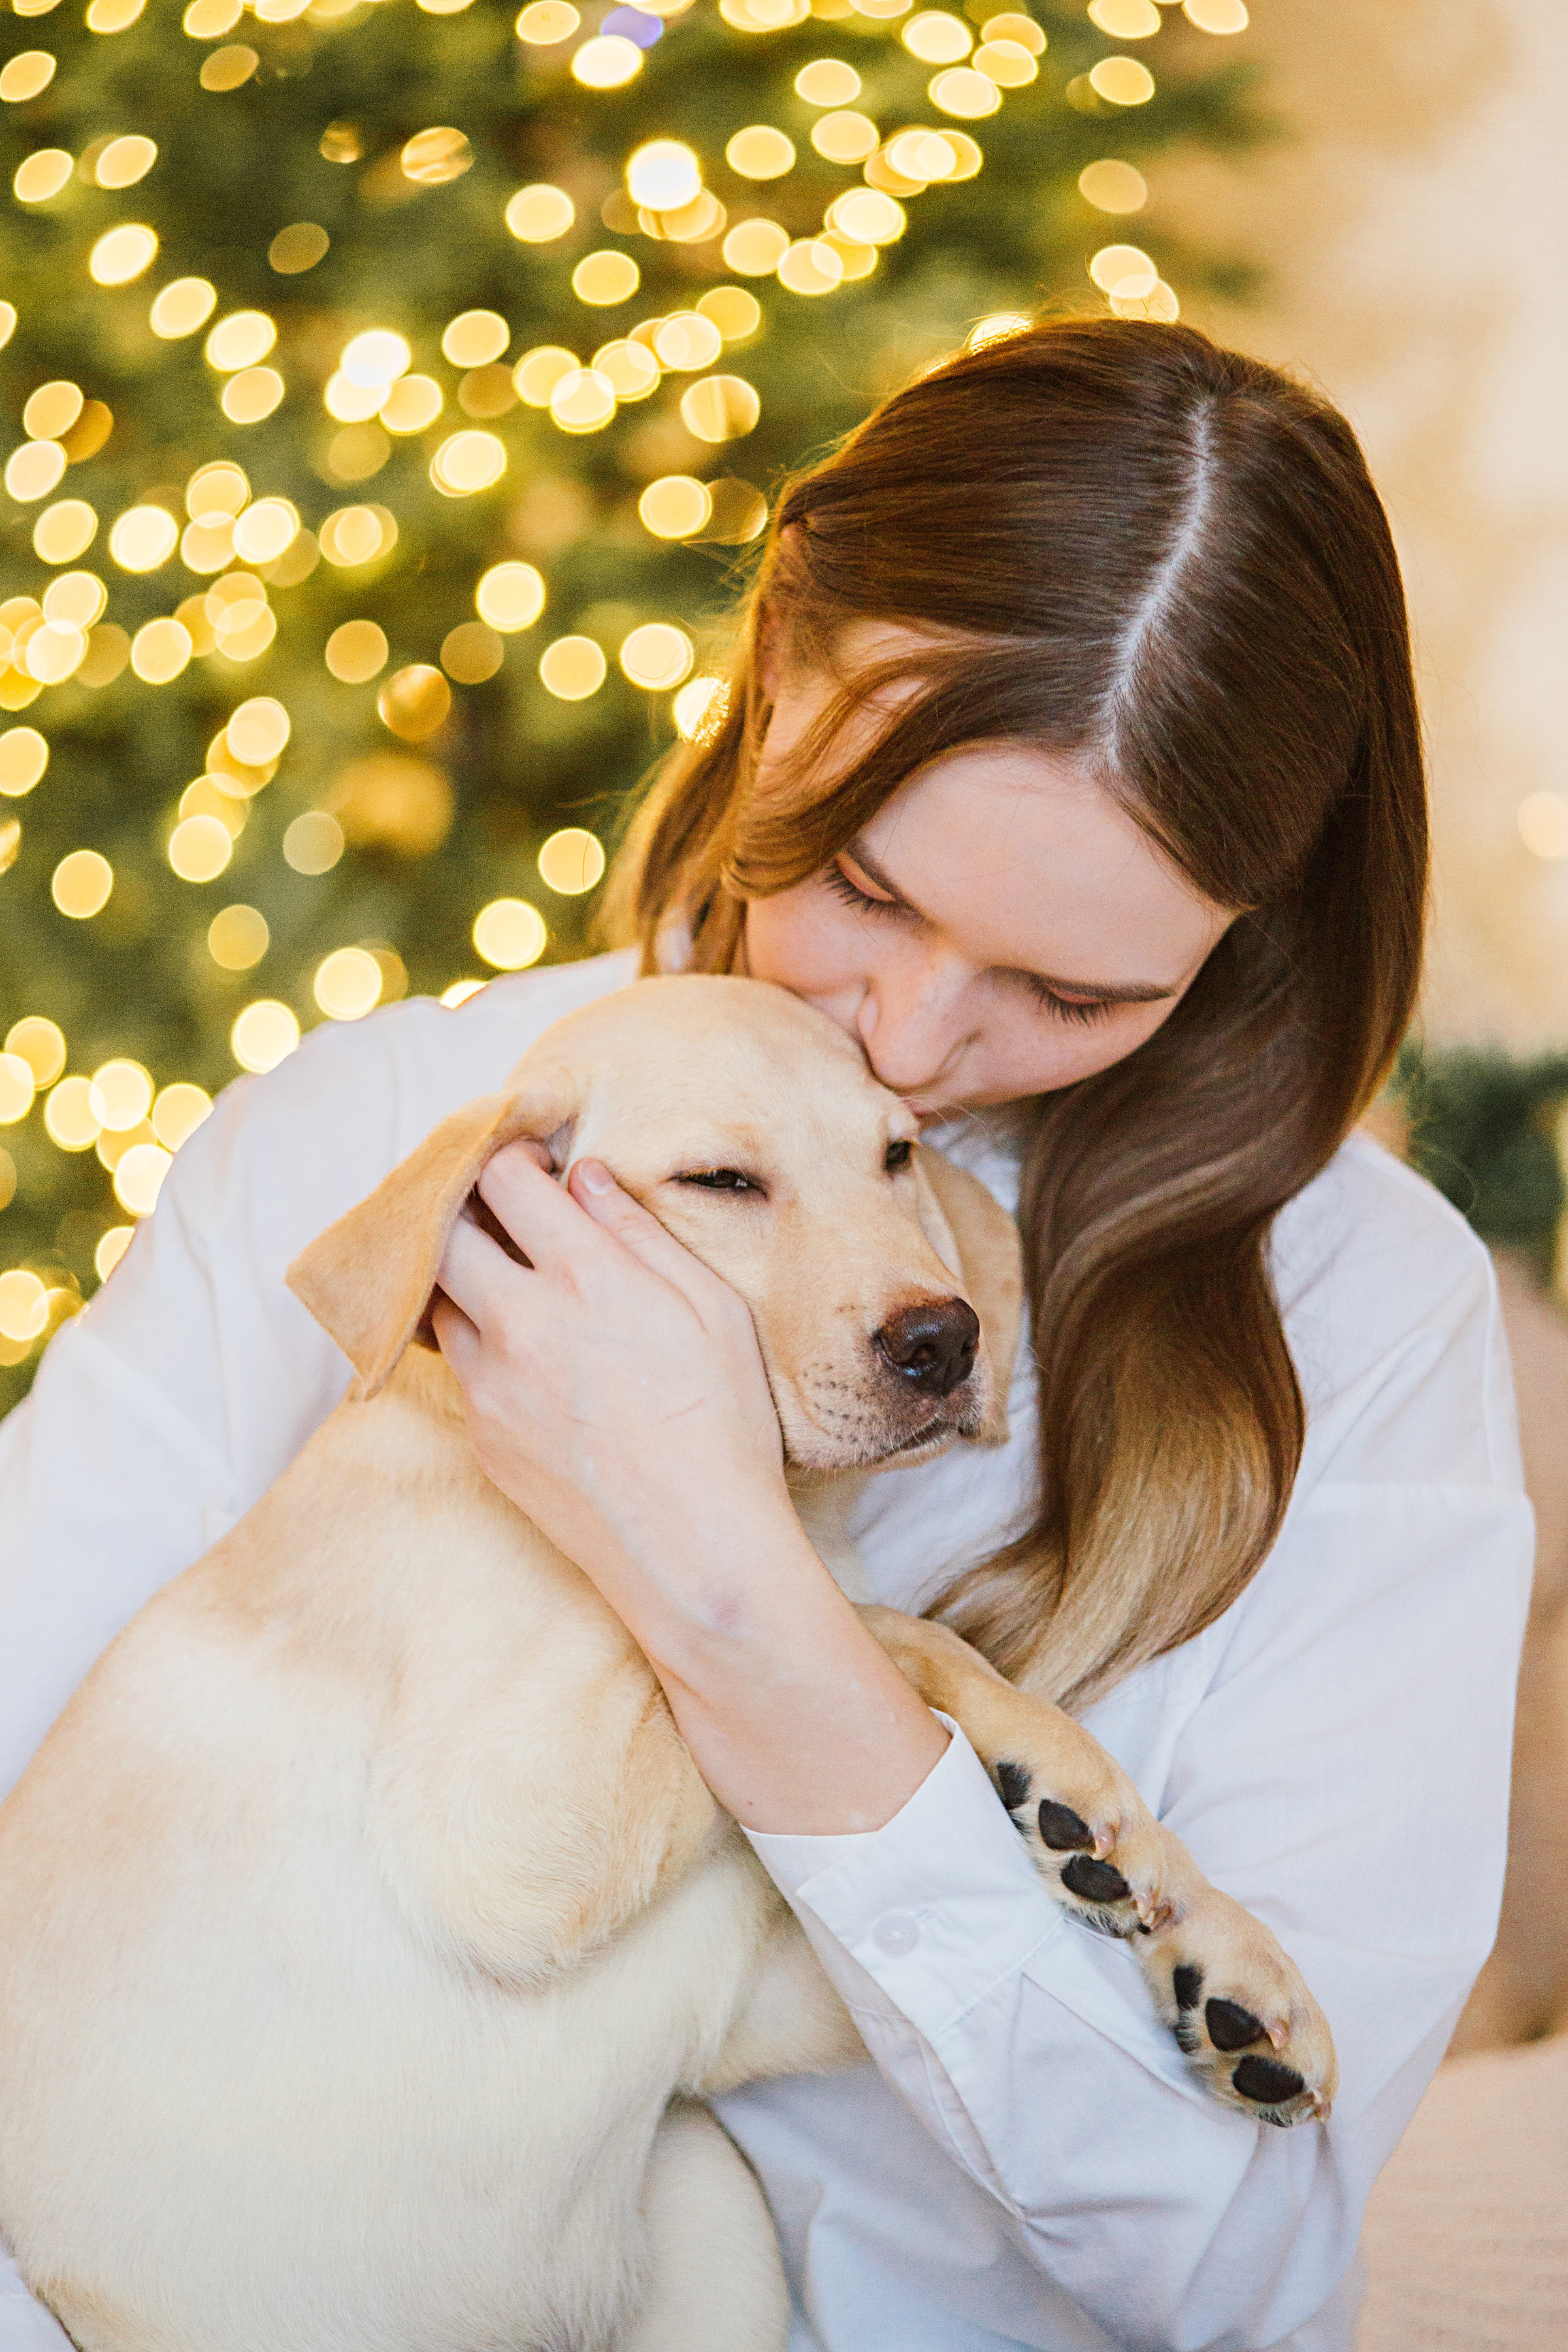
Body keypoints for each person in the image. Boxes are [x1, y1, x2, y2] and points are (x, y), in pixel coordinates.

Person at [0, 319, 1532, 2351]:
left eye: (1072, 994)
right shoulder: (374, 1147)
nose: (902, 1040)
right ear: (769, 678)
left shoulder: (1366, 1316)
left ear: (1256, 926)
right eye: (865, 883)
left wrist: (730, 1588)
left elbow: (1245, 2263)